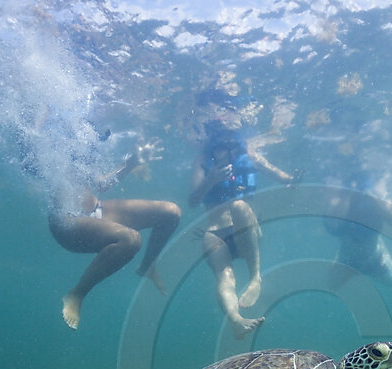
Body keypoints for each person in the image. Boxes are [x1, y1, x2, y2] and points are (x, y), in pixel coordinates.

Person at [48, 139, 180, 330]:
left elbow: (100, 184)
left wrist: (131, 164)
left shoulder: (80, 135)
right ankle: (77, 293)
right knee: (130, 239)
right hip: (66, 221)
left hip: (98, 209)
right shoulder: (44, 140)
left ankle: (147, 267)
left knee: (171, 212)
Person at [188, 121, 295, 339]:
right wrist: (211, 179)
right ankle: (236, 321)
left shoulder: (251, 155)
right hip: (216, 231)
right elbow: (192, 200)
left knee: (238, 206)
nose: (226, 149)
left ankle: (255, 277)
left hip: (246, 230)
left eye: (230, 143)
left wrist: (292, 180)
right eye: (220, 144)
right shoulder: (202, 161)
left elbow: (282, 177)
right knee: (224, 277)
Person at [322, 170, 392, 288]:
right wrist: (346, 195)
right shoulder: (338, 196)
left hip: (374, 257)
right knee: (330, 285)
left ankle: (375, 251)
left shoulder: (378, 191)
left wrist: (373, 195)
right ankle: (358, 262)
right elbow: (331, 226)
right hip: (347, 255)